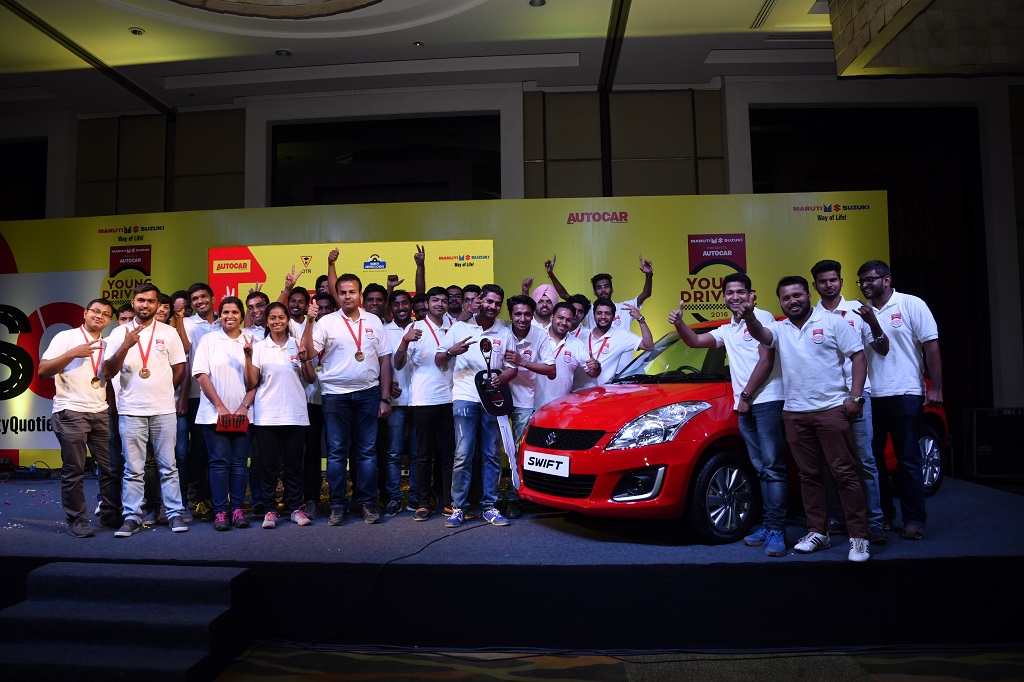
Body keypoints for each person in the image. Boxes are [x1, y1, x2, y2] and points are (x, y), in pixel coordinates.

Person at [742, 276, 871, 562]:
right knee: (808, 476)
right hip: (795, 414)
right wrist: (749, 315)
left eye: (797, 295)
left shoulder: (833, 322)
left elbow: (859, 357)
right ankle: (818, 533)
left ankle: (859, 538)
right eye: (786, 298)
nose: (793, 301)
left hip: (831, 410)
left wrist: (855, 397)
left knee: (844, 474)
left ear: (808, 295)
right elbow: (762, 335)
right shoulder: (780, 328)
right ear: (780, 302)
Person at [669, 273, 788, 557]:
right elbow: (696, 342)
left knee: (773, 468)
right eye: (730, 293)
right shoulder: (728, 328)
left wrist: (745, 396)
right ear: (723, 297)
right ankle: (768, 524)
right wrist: (679, 324)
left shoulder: (762, 318)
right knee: (761, 468)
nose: (735, 297)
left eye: (740, 292)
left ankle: (776, 529)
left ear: (751, 294)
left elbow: (766, 361)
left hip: (767, 402)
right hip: (746, 405)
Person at [856, 259, 942, 540]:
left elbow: (931, 346)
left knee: (908, 459)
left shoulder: (911, 304)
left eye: (870, 279)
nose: (866, 285)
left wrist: (936, 388)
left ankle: (914, 519)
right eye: (862, 281)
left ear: (887, 280)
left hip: (906, 391)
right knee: (873, 460)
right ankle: (885, 515)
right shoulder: (861, 312)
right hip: (871, 395)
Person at [811, 259, 890, 544]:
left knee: (864, 460)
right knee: (831, 463)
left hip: (858, 395)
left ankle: (874, 520)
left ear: (841, 282)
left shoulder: (858, 311)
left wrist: (873, 321)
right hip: (826, 399)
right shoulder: (811, 317)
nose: (829, 285)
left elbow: (882, 348)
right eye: (823, 281)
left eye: (833, 280)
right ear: (815, 286)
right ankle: (838, 517)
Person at [102, 283, 189, 536]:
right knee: (133, 469)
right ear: (133, 302)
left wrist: (163, 391)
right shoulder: (119, 333)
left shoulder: (168, 332)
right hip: (131, 410)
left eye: (151, 301)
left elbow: (180, 369)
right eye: (141, 300)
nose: (145, 305)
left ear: (157, 305)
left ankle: (174, 513)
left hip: (163, 410)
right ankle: (132, 516)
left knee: (169, 466)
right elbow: (108, 371)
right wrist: (125, 345)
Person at [308, 271, 394, 526]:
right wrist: (310, 321)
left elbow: (385, 360)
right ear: (337, 295)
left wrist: (385, 398)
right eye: (343, 292)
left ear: (360, 295)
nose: (347, 296)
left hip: (369, 394)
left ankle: (367, 502)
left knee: (367, 452)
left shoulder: (374, 321)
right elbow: (310, 353)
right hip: (335, 395)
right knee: (336, 453)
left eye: (352, 292)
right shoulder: (327, 322)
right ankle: (337, 505)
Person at [436, 284, 518, 528]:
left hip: (493, 400)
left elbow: (513, 367)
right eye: (489, 301)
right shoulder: (459, 328)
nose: (493, 307)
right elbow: (439, 359)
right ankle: (458, 507)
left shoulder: (504, 332)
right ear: (480, 300)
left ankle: (489, 506)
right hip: (465, 398)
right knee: (463, 455)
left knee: (491, 454)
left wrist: (502, 378)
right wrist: (451, 351)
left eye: (497, 303)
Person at [39, 298, 117, 538]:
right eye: (95, 311)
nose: (99, 316)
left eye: (105, 314)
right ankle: (78, 520)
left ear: (109, 321)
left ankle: (110, 513)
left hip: (100, 411)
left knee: (111, 468)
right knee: (74, 470)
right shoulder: (66, 337)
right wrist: (74, 353)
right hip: (70, 410)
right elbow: (43, 370)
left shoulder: (108, 344)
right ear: (85, 313)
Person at [245, 302, 314, 528]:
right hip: (267, 415)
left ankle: (295, 508)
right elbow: (251, 382)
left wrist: (304, 359)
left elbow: (310, 379)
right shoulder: (260, 347)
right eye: (272, 318)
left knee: (294, 465)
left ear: (287, 320)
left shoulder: (297, 344)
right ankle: (270, 510)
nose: (277, 321)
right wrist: (248, 357)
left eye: (281, 317)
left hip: (295, 414)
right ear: (267, 321)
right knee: (268, 466)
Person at [192, 296, 257, 531]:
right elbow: (201, 375)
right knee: (219, 462)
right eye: (225, 312)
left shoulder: (253, 340)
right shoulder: (209, 339)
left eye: (235, 312)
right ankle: (221, 511)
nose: (230, 316)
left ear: (242, 315)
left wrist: (244, 406)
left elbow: (257, 380)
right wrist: (219, 406)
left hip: (243, 414)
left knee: (239, 463)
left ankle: (237, 510)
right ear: (220, 315)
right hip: (213, 414)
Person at [394, 286, 455, 521]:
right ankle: (422, 503)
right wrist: (404, 341)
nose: (440, 304)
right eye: (435, 300)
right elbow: (398, 364)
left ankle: (448, 501)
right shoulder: (415, 328)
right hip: (423, 400)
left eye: (444, 300)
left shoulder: (454, 327)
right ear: (427, 304)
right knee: (423, 455)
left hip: (451, 398)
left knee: (448, 454)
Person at [503, 295, 556, 518]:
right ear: (510, 315)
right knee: (493, 450)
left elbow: (551, 370)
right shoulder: (501, 331)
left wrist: (522, 362)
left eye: (527, 314)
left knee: (519, 451)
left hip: (524, 400)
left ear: (532, 315)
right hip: (497, 398)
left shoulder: (539, 335)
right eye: (518, 314)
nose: (522, 318)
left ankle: (514, 498)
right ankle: (490, 499)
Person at [176, 282, 221, 517]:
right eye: (194, 299)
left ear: (213, 298)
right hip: (196, 394)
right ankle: (197, 498)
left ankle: (217, 497)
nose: (199, 301)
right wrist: (184, 396)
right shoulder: (187, 324)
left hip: (224, 396)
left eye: (203, 296)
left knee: (218, 449)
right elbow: (183, 357)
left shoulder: (225, 320)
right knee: (198, 449)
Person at [545, 253, 654, 332]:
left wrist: (649, 275)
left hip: (625, 359)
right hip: (594, 358)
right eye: (599, 288)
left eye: (606, 286)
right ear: (594, 292)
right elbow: (564, 295)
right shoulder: (588, 310)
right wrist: (551, 274)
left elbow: (646, 294)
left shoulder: (624, 308)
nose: (603, 290)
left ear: (612, 289)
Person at [381, 289, 419, 515]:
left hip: (420, 400)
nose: (401, 308)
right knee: (394, 453)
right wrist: (386, 387)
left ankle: (415, 497)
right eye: (396, 304)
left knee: (417, 453)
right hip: (395, 401)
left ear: (411, 305)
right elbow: (379, 363)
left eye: (405, 303)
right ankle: (394, 497)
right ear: (391, 307)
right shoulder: (384, 330)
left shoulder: (421, 327)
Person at [302, 291, 335, 517]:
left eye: (327, 308)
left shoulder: (340, 330)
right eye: (319, 308)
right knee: (312, 453)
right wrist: (309, 321)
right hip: (310, 400)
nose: (323, 312)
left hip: (336, 398)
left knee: (336, 451)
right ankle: (311, 499)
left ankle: (337, 499)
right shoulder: (306, 329)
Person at [576, 298, 654, 388]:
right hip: (576, 391)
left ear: (613, 317)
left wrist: (640, 319)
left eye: (607, 313)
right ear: (594, 316)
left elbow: (649, 346)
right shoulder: (581, 335)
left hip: (601, 392)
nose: (603, 316)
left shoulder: (621, 336)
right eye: (599, 313)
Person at [534, 302, 599, 410]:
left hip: (561, 406)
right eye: (560, 318)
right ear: (552, 317)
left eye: (568, 320)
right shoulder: (537, 337)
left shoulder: (577, 344)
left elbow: (593, 373)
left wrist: (596, 366)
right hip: (533, 405)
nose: (564, 323)